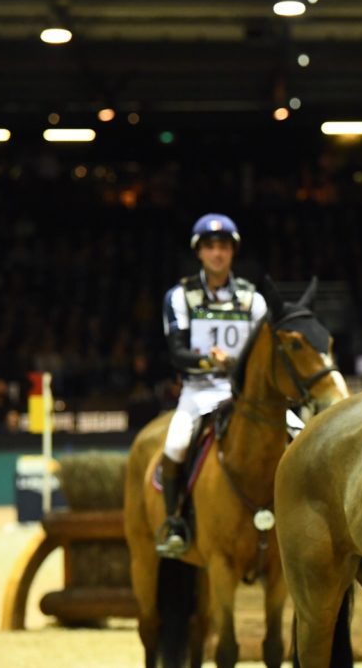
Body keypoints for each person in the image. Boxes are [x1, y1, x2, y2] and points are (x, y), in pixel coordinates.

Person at [155, 213, 267, 558]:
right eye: (210, 247)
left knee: (297, 433)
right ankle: (176, 522)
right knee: (174, 446)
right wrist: (210, 361)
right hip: (199, 392)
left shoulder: (253, 299)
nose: (217, 253)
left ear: (232, 253)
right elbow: (176, 353)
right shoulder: (180, 296)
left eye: (223, 247)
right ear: (199, 253)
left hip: (244, 393)